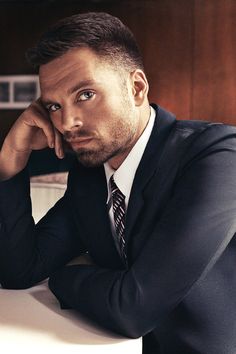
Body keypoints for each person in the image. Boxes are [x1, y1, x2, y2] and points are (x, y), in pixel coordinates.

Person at [0, 12, 236, 354]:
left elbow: (133, 308)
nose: (67, 123)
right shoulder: (90, 178)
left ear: (136, 88)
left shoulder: (217, 155)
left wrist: (63, 279)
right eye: (53, 105)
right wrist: (11, 158)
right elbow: (20, 270)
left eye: (85, 95)